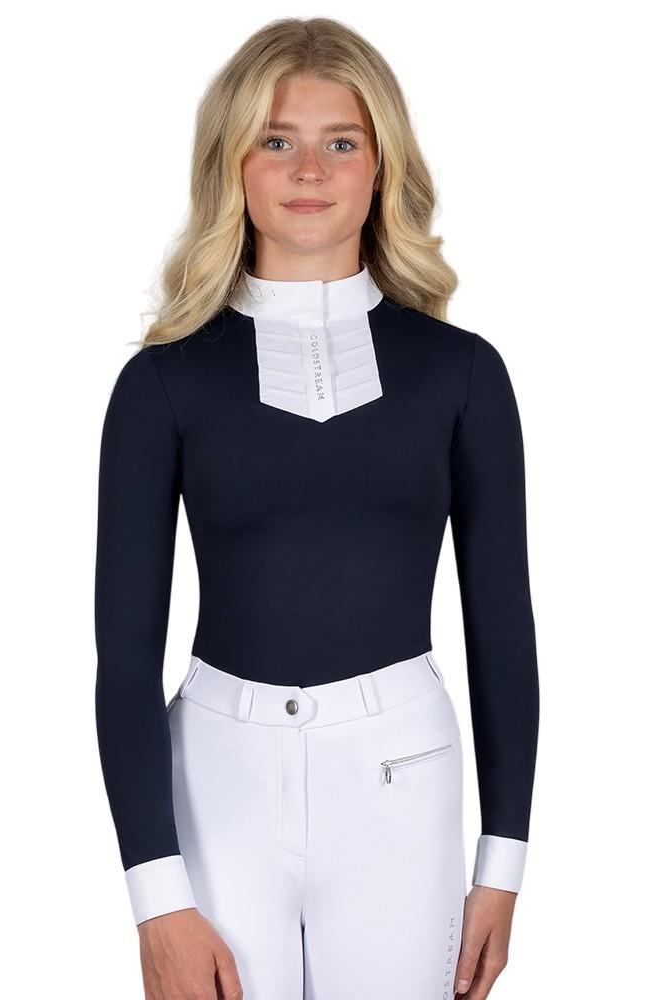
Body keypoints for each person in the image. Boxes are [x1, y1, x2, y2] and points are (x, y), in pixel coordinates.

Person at [94, 17, 540, 1000]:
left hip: (401, 778)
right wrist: (155, 897)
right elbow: (123, 659)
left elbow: (502, 626)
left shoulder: (462, 375)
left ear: (382, 165)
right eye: (276, 139)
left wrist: (501, 865)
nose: (309, 170)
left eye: (341, 141)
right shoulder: (162, 384)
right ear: (232, 163)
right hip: (216, 778)